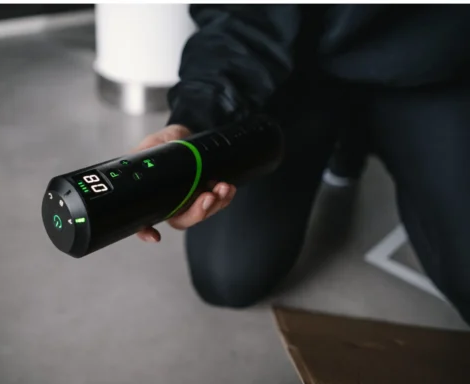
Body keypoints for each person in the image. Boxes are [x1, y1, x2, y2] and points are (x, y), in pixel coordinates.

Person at [132, 5, 470, 325]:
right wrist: (195, 120)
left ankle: (354, 145)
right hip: (298, 67)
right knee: (225, 276)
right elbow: (242, 14)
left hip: (431, 64)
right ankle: (343, 147)